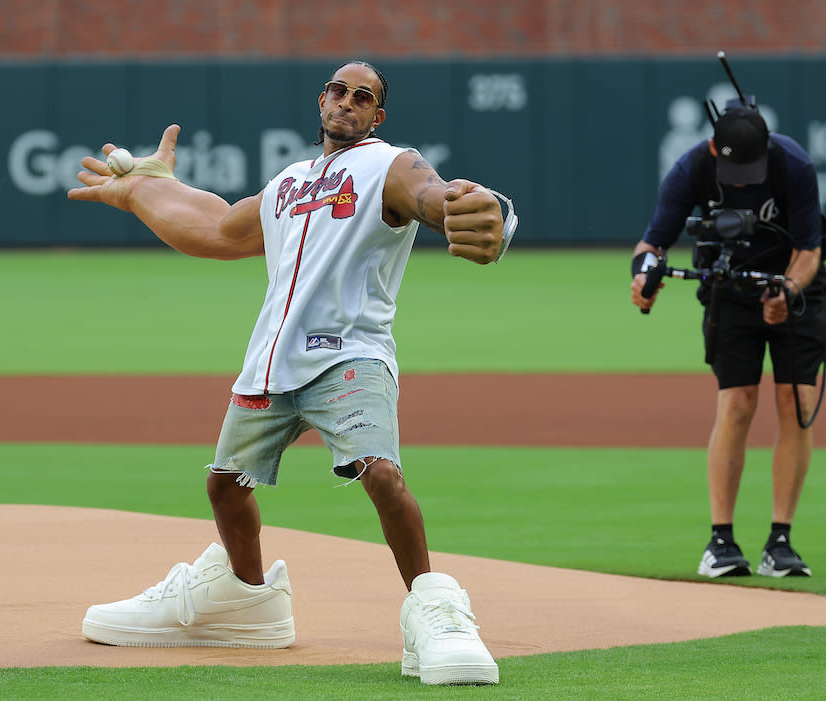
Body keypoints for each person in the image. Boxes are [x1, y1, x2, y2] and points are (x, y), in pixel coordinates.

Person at [67, 59, 507, 685]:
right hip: (271, 359)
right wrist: (144, 188)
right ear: (321, 100)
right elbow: (214, 227)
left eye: (363, 96)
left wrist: (471, 206)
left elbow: (434, 195)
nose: (347, 101)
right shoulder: (288, 186)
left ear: (376, 115)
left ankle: (433, 609)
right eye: (338, 90)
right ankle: (246, 600)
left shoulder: (389, 164)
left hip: (350, 356)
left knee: (380, 474)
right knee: (225, 485)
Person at [630, 103, 826, 579]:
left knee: (796, 401)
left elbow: (809, 249)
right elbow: (652, 245)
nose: (741, 180)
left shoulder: (793, 164)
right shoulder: (693, 167)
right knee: (737, 402)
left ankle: (779, 542)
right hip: (730, 291)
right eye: (732, 169)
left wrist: (787, 289)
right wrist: (644, 278)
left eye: (750, 169)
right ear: (711, 151)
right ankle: (721, 540)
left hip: (799, 287)